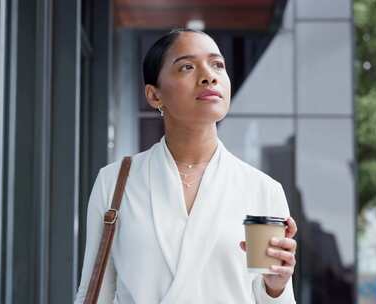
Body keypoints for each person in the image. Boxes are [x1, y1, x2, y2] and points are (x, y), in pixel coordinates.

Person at [74, 28, 297, 303]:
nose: (209, 75)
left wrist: (275, 287)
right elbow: (94, 292)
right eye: (187, 67)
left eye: (217, 64)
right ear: (154, 96)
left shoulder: (263, 190)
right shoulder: (116, 181)